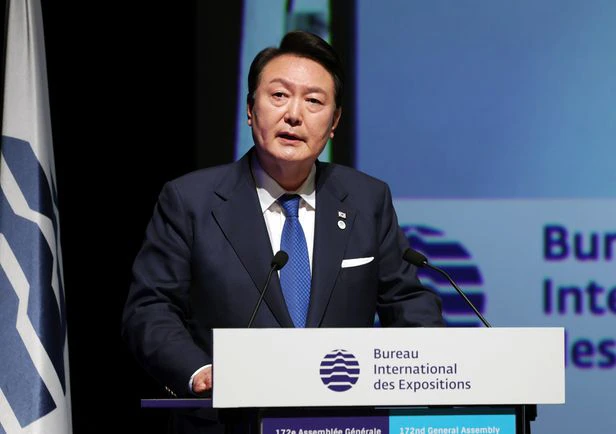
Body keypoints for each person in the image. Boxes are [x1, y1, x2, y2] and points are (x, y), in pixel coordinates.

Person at [121, 30, 445, 434]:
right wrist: (200, 370)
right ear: (250, 110)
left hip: (339, 424)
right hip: (228, 422)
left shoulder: (366, 199)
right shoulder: (190, 201)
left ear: (334, 122)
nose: (294, 115)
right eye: (279, 95)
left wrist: (438, 364)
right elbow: (150, 309)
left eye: (314, 101)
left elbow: (407, 300)